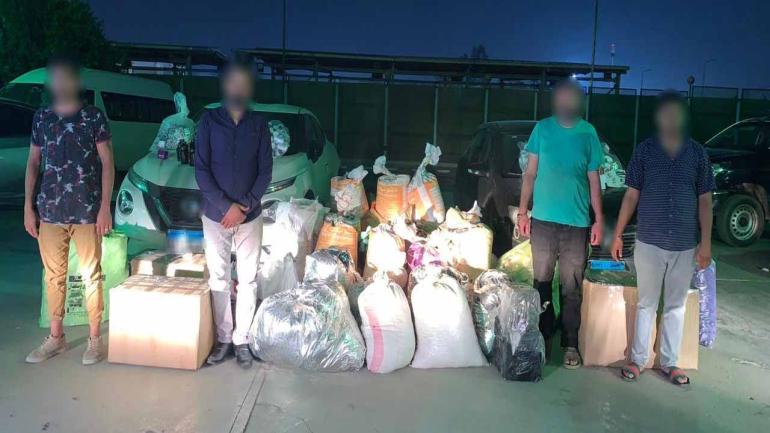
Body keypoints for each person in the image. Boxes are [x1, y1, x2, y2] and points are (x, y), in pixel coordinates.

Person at [613, 91, 714, 386]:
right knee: (646, 303)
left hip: (685, 244)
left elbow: (705, 201)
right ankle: (638, 360)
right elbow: (631, 195)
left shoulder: (698, 154)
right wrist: (617, 234)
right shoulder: (644, 151)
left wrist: (706, 243)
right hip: (649, 241)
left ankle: (670, 362)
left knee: (675, 306)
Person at [24, 55, 114, 365]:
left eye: (67, 77)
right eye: (56, 78)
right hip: (49, 210)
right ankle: (56, 338)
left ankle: (94, 339)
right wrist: (28, 207)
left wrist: (105, 207)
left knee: (91, 275)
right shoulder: (42, 117)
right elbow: (33, 162)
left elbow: (107, 162)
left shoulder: (93, 117)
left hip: (87, 210)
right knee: (53, 277)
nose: (61, 83)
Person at [517, 79, 604, 369]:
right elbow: (530, 174)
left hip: (576, 224)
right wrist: (522, 212)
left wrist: (598, 220)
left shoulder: (588, 133)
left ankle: (570, 344)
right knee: (541, 283)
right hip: (543, 223)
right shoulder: (542, 130)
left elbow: (594, 180)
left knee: (571, 287)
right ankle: (542, 339)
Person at [195, 60, 273, 369]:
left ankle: (242, 339)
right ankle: (224, 339)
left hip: (249, 217)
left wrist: (245, 206)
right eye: (233, 82)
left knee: (248, 279)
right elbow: (201, 169)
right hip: (215, 215)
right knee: (219, 277)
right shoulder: (209, 122)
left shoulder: (259, 124)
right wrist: (226, 207)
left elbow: (265, 170)